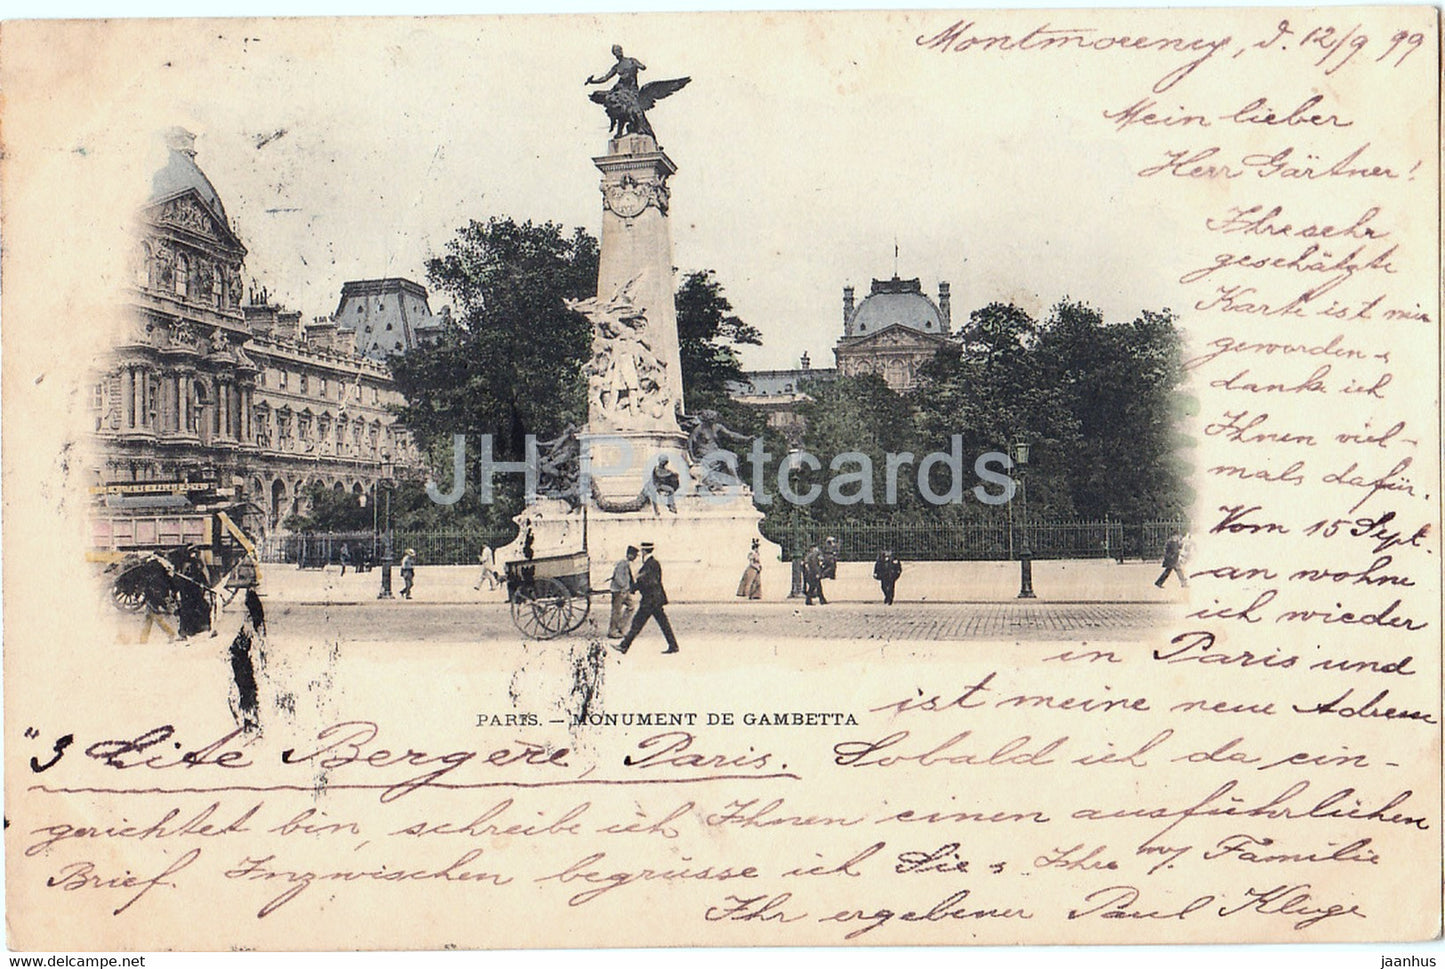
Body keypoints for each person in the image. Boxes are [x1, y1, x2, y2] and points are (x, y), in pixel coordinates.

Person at [614, 541, 679, 654]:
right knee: (663, 624)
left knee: (637, 623)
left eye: (642, 551)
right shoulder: (652, 563)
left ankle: (624, 646)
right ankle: (673, 646)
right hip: (655, 599)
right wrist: (635, 586)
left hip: (650, 600)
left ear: (644, 551)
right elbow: (646, 580)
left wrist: (634, 587)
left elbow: (647, 581)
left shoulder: (651, 564)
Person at [608, 546, 639, 637]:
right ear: (630, 555)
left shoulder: (626, 563)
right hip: (619, 591)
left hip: (624, 591)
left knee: (631, 607)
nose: (635, 557)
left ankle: (620, 627)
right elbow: (618, 578)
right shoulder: (622, 564)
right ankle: (613, 631)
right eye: (634, 555)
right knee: (616, 611)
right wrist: (624, 587)